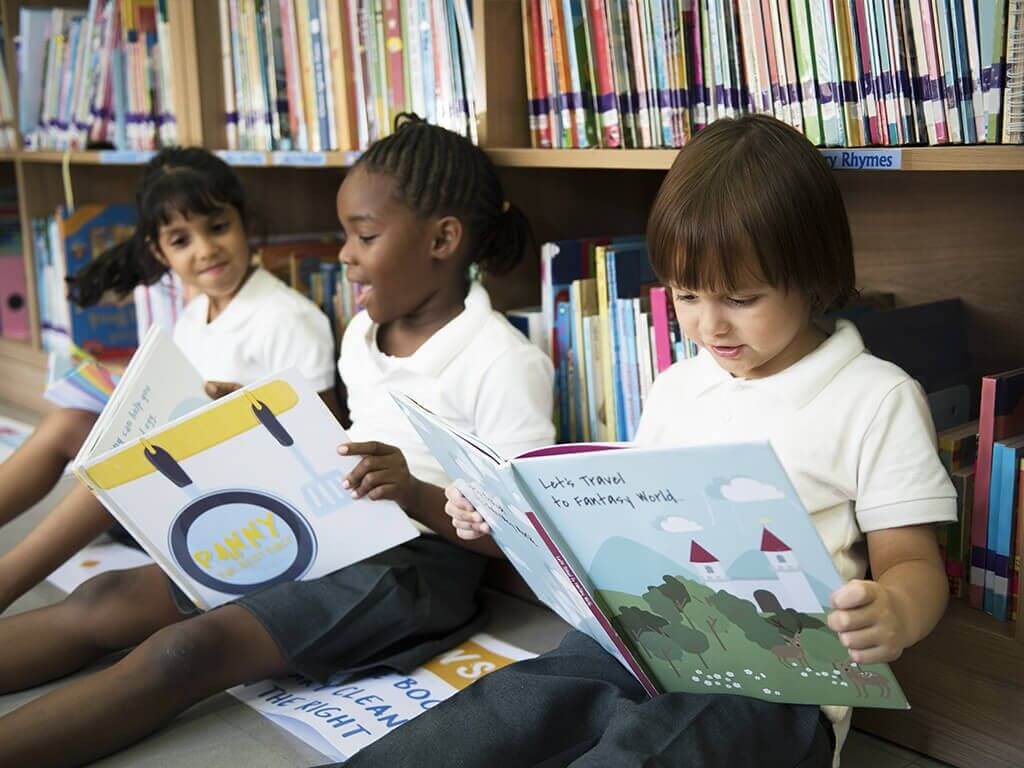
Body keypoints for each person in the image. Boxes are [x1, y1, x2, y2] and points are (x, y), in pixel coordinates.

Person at [347, 114, 956, 768]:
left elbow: (914, 563)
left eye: (742, 298)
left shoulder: (873, 397)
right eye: (687, 296)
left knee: (654, 746)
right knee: (510, 706)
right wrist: (501, 511)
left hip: (777, 682)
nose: (710, 323)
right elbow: (624, 527)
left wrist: (893, 610)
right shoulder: (676, 386)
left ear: (813, 276)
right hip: (644, 637)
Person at [0, 115, 555, 768]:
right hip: (329, 520)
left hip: (415, 567)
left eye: (364, 235)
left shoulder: (503, 361)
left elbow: (526, 540)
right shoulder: (362, 336)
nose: (344, 253)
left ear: (443, 238)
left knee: (184, 653)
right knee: (106, 599)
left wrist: (413, 492)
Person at [0, 147, 337, 612]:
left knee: (126, 469)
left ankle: (5, 582)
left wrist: (245, 411)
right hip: (190, 474)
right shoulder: (194, 315)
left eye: (218, 227)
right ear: (161, 253)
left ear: (245, 223)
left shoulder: (289, 318)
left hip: (248, 497)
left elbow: (324, 445)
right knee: (69, 423)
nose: (205, 250)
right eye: (182, 241)